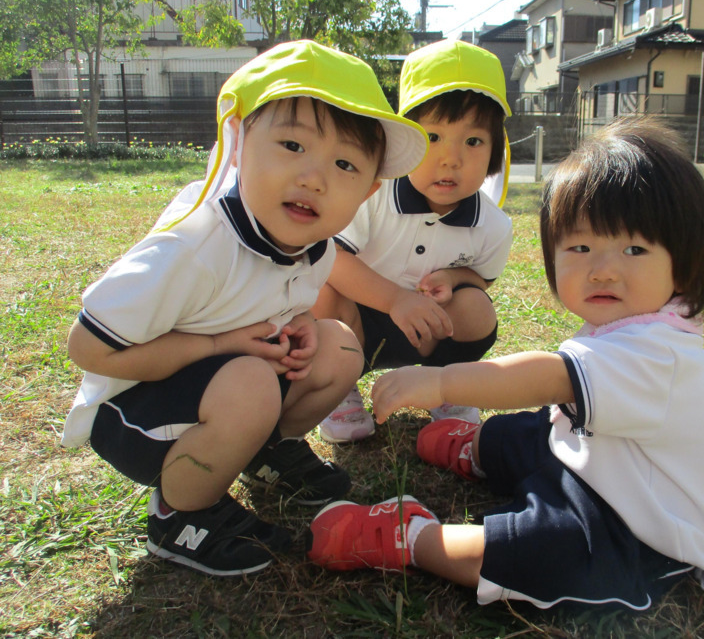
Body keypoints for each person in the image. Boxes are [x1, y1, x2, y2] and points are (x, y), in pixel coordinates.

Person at [307, 117, 704, 611]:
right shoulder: (639, 319)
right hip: (592, 462)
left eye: (634, 249)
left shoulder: (661, 352)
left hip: (635, 526)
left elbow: (545, 377)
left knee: (542, 552)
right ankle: (478, 448)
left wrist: (441, 383)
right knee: (534, 432)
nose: (602, 270)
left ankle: (413, 536)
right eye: (580, 247)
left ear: (684, 261)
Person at [61, 40, 428, 577]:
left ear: (368, 191)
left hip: (223, 386)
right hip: (131, 416)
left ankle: (264, 454)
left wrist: (301, 323)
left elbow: (278, 302)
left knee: (338, 346)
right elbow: (88, 348)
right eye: (292, 145)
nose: (314, 177)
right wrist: (219, 345)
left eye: (344, 163)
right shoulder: (194, 247)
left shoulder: (317, 247)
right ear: (237, 143)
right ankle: (179, 513)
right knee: (252, 382)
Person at [312, 39, 514, 443]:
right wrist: (395, 300)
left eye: (473, 141)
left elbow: (483, 278)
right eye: (433, 137)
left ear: (496, 150)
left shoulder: (493, 225)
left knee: (477, 309)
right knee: (322, 293)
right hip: (358, 323)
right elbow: (330, 256)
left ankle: (447, 387)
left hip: (428, 330)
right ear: (404, 141)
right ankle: (337, 390)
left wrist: (454, 278)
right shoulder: (373, 193)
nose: (451, 158)